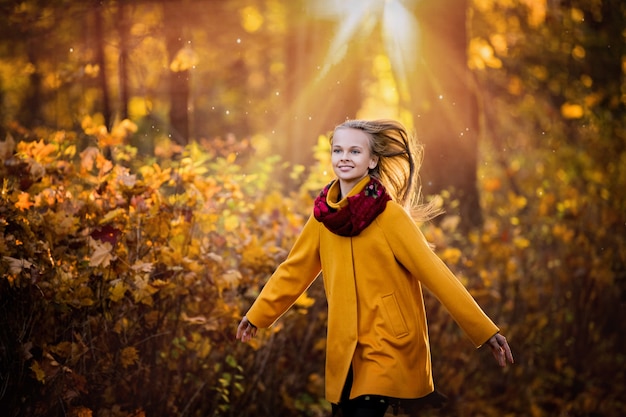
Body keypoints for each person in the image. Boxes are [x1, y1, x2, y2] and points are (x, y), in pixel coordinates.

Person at [236, 119, 514, 417]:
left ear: (372, 160)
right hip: (345, 348)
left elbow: (435, 272)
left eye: (355, 151)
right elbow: (294, 270)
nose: (344, 157)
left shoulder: (390, 216)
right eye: (338, 150)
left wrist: (483, 330)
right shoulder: (323, 217)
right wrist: (258, 315)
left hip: (387, 343)